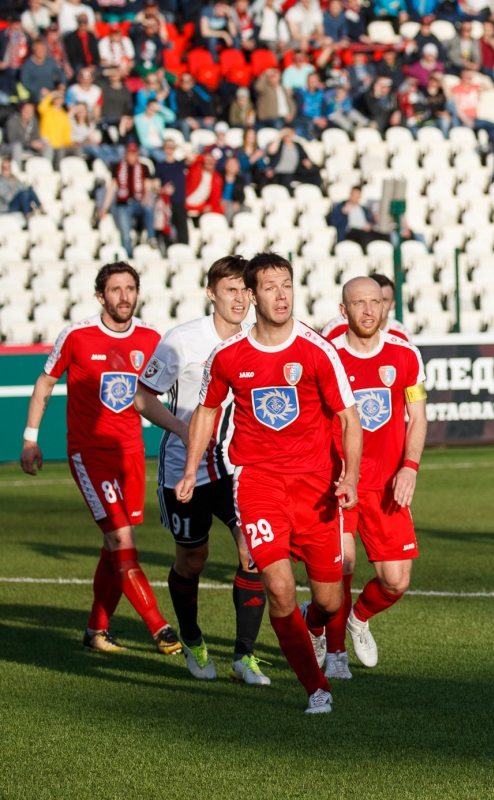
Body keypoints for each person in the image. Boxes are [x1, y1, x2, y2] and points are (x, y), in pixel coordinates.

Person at [177, 252, 363, 714]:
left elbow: (349, 417)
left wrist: (351, 475)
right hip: (257, 484)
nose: (281, 295)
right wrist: (189, 469)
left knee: (329, 599)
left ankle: (310, 623)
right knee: (278, 587)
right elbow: (205, 412)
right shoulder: (228, 355)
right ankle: (316, 689)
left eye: (287, 285)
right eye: (270, 287)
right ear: (253, 295)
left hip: (317, 487)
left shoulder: (317, 350)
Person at [20, 262, 181, 656]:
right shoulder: (77, 335)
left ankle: (96, 629)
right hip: (90, 454)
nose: (124, 296)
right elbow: (45, 381)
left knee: (114, 545)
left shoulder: (151, 338)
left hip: (132, 456)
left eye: (130, 288)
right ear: (100, 296)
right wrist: (30, 438)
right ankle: (160, 628)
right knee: (122, 540)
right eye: (115, 289)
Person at [133, 257, 269, 684]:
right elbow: (142, 397)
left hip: (236, 468)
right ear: (211, 293)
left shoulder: (258, 338)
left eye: (246, 291)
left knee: (254, 555)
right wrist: (186, 429)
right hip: (183, 468)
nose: (240, 299)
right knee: (192, 561)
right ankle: (192, 638)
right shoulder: (182, 340)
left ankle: (244, 657)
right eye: (231, 290)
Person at [310, 276, 427, 679]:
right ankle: (335, 651)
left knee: (395, 582)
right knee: (342, 568)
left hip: (388, 484)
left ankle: (357, 619)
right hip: (340, 482)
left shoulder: (405, 355)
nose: (368, 310)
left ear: (385, 307)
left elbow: (418, 417)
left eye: (374, 302)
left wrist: (409, 467)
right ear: (344, 311)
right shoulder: (328, 356)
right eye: (358, 303)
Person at [320, 272, 412, 341]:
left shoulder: (401, 335)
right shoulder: (336, 328)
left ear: (392, 305)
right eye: (361, 301)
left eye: (377, 301)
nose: (370, 309)